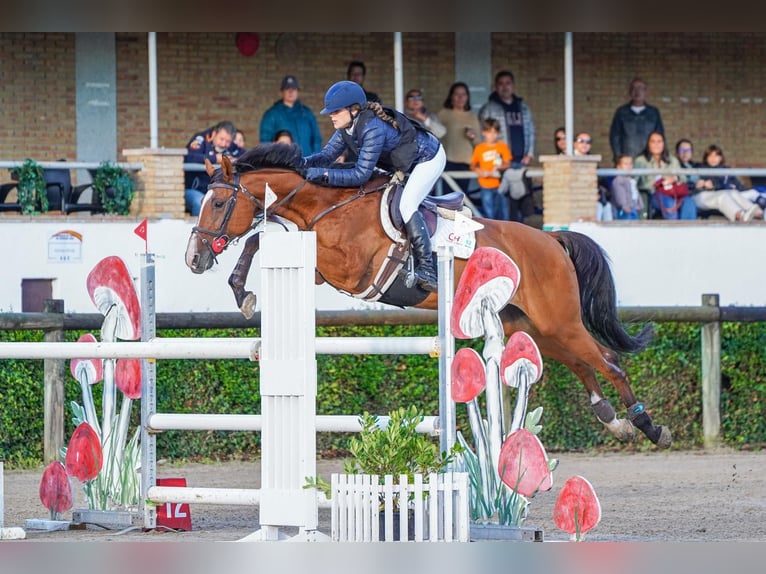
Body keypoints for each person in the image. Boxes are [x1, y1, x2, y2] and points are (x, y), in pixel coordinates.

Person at [303, 80, 446, 292]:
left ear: (354, 109)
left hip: (428, 159)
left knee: (406, 206)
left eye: (336, 111)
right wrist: (300, 163)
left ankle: (428, 270)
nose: (331, 115)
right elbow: (326, 156)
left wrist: (322, 175)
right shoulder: (347, 127)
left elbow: (361, 175)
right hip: (403, 163)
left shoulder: (372, 128)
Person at [479, 70, 535, 222]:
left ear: (513, 86)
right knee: (500, 206)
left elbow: (530, 131)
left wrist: (529, 153)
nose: (505, 87)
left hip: (519, 162)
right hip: (500, 164)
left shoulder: (522, 107)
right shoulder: (489, 108)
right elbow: (482, 135)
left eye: (508, 83)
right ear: (495, 87)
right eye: (501, 84)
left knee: (519, 203)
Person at [184, 120, 244, 216]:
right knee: (201, 203)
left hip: (218, 191)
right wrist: (214, 158)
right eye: (221, 139)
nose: (224, 144)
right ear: (214, 134)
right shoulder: (200, 139)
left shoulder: (230, 145)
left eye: (227, 141)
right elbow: (189, 157)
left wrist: (236, 160)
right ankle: (198, 231)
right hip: (194, 190)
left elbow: (244, 155)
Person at [634, 131, 696, 220]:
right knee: (668, 202)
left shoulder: (672, 160)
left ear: (664, 143)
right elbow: (633, 182)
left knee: (689, 202)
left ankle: (687, 231)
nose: (656, 144)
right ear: (648, 144)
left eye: (659, 141)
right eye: (653, 141)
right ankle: (673, 231)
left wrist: (675, 178)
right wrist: (660, 183)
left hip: (673, 191)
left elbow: (683, 178)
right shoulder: (640, 161)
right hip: (652, 194)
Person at [692, 144, 764, 222]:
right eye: (710, 156)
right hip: (703, 195)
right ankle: (741, 216)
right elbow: (715, 184)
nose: (713, 159)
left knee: (733, 192)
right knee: (723, 196)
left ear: (721, 157)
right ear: (706, 158)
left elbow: (739, 187)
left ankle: (757, 212)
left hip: (720, 194)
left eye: (716, 156)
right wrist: (705, 184)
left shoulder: (726, 170)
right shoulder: (701, 168)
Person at [436, 81, 481, 196]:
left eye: (463, 94)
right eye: (457, 94)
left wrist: (472, 137)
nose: (460, 97)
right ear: (451, 96)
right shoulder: (443, 114)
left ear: (467, 97)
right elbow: (435, 135)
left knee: (461, 197)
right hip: (448, 160)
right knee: (446, 196)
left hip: (466, 162)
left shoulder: (472, 116)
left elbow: (478, 143)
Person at [259, 75, 322, 155]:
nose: (290, 91)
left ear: (298, 91)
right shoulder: (271, 114)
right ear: (282, 91)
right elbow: (265, 143)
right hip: (284, 165)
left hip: (307, 162)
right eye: (287, 88)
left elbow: (316, 139)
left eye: (293, 89)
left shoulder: (306, 113)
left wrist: (316, 159)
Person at [609, 77, 664, 163]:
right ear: (630, 92)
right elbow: (615, 136)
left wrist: (658, 157)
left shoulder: (653, 112)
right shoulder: (622, 112)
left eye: (640, 88)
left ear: (646, 91)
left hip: (649, 160)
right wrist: (618, 156)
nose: (637, 91)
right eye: (633, 88)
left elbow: (660, 136)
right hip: (627, 160)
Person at [470, 118, 511, 220]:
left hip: (501, 184)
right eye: (489, 132)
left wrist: (498, 167)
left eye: (495, 132)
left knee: (504, 214)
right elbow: (473, 165)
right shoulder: (479, 148)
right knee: (489, 215)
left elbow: (507, 163)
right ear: (484, 132)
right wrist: (480, 171)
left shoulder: (502, 146)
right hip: (485, 184)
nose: (492, 135)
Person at [573, 131, 613, 221]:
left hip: (595, 198)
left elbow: (600, 181)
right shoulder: (570, 159)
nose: (585, 144)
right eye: (581, 141)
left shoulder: (592, 161)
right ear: (574, 143)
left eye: (588, 142)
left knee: (607, 206)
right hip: (577, 200)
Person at [610, 155, 644, 220]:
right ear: (619, 167)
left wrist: (640, 204)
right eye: (625, 164)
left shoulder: (632, 180)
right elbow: (619, 194)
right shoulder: (618, 180)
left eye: (630, 164)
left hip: (634, 208)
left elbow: (636, 193)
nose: (629, 166)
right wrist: (624, 205)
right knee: (627, 226)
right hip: (624, 209)